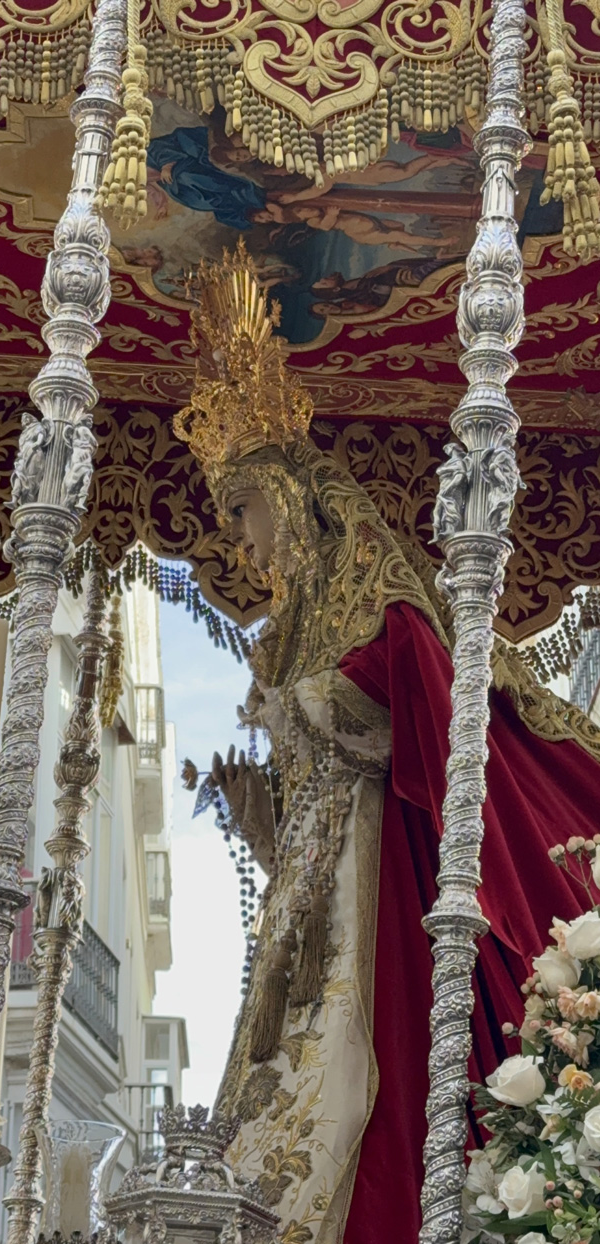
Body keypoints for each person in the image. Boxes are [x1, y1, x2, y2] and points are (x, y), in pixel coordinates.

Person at [174, 245, 600, 1242]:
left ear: (289, 495)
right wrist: (263, 814)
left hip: (386, 877)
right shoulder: (292, 632)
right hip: (315, 894)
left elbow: (413, 700)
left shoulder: (378, 598)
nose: (242, 540)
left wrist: (299, 710)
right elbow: (313, 792)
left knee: (365, 1075)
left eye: (244, 510)